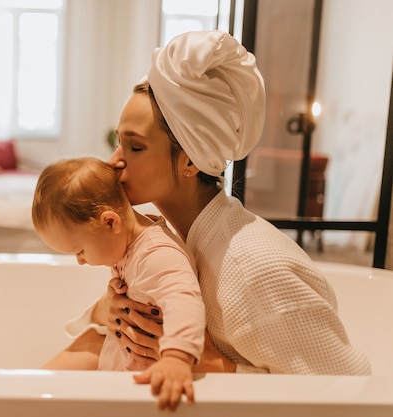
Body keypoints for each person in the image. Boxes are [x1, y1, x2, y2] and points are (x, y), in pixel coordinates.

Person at [46, 30, 371, 378]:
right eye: (118, 142)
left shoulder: (257, 268)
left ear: (190, 162)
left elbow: (349, 389)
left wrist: (220, 366)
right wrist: (106, 312)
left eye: (135, 147)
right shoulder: (159, 235)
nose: (113, 162)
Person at [32, 156, 206, 410]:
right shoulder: (128, 244)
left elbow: (185, 301)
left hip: (144, 386)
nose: (80, 261)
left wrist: (177, 358)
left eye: (79, 250)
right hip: (121, 372)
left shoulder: (157, 255)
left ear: (110, 222)